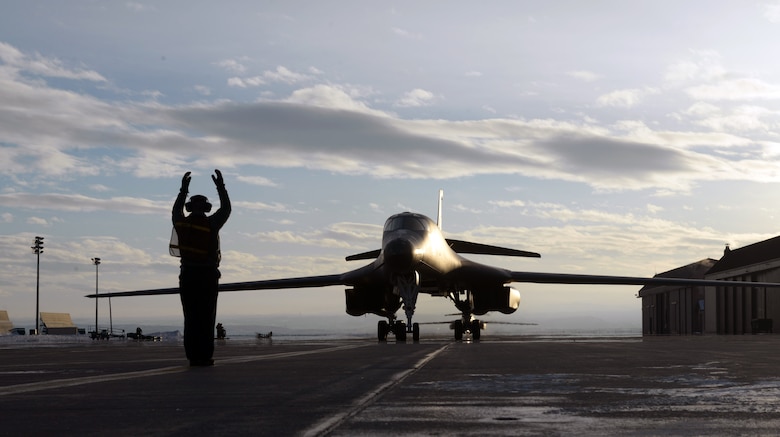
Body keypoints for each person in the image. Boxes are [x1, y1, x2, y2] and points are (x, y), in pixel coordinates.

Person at [172, 170, 231, 366]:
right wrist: (221, 187)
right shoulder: (211, 223)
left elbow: (175, 210)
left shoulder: (181, 222)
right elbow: (226, 209)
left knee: (190, 318)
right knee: (206, 318)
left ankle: (192, 357)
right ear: (206, 208)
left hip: (187, 275)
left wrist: (183, 190)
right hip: (207, 275)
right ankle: (204, 356)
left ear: (190, 208)